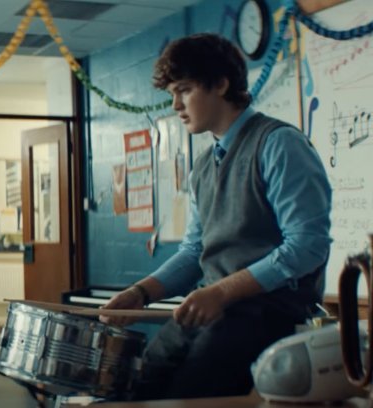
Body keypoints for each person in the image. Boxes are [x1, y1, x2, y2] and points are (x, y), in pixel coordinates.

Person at [101, 33, 332, 400]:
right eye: (172, 93)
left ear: (221, 84)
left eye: (185, 90)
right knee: (138, 386)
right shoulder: (203, 166)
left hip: (267, 315)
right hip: (212, 310)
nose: (175, 105)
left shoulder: (279, 143)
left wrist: (221, 292)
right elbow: (195, 252)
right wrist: (140, 293)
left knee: (188, 394)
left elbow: (308, 246)